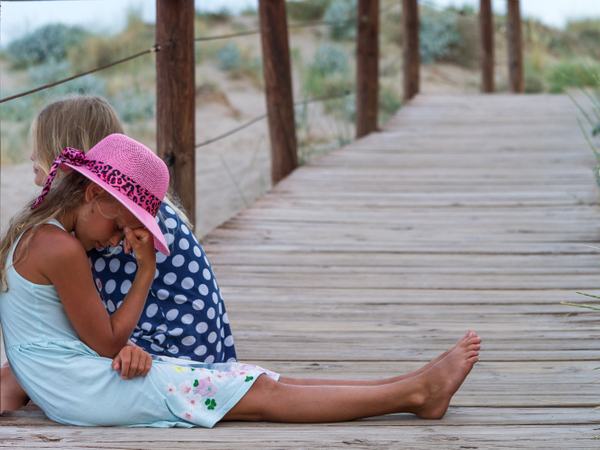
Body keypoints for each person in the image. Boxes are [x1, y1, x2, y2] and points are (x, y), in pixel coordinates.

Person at [0, 133, 481, 426]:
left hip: (75, 384)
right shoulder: (60, 248)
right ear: (91, 195)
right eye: (121, 226)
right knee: (260, 396)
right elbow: (106, 343)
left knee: (249, 380)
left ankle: (408, 384)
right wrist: (146, 271)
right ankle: (415, 394)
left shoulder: (40, 235)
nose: (117, 241)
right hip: (83, 388)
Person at [0, 96, 236, 412]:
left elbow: (99, 335)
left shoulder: (118, 220)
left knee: (18, 376)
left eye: (40, 159)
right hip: (195, 346)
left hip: (171, 351)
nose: (34, 164)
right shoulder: (124, 206)